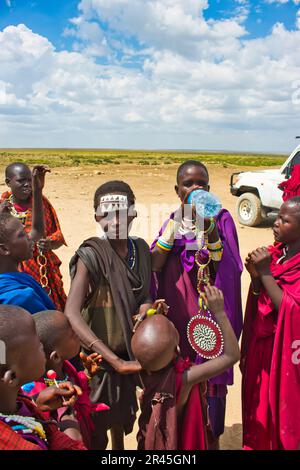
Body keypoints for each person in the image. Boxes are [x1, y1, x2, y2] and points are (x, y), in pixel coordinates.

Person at [151, 160, 243, 447]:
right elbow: (154, 263)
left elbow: (227, 269)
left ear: (210, 189)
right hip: (178, 319)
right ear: (178, 190)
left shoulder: (223, 219)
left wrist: (210, 227)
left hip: (208, 321)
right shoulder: (172, 220)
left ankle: (211, 439)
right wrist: (176, 228)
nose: (195, 188)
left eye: (201, 183)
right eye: (189, 184)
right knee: (179, 388)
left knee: (210, 395)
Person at [65, 181, 154, 450]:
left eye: (122, 212)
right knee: (97, 432)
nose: (115, 220)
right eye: (107, 214)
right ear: (97, 217)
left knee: (122, 424)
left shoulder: (141, 251)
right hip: (98, 365)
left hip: (129, 358)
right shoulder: (91, 256)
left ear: (133, 214)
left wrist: (146, 310)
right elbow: (72, 312)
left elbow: (144, 295)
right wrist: (114, 361)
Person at [132, 285, 240, 450]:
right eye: (172, 327)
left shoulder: (142, 369)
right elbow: (232, 356)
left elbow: (148, 344)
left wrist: (152, 317)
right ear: (177, 349)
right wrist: (220, 312)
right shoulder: (184, 378)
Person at [241, 197, 300, 450]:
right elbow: (262, 299)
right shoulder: (277, 255)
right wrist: (257, 279)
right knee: (260, 405)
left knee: (281, 411)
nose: (275, 224)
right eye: (277, 217)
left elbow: (293, 311)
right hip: (263, 349)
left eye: (284, 220)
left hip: (285, 353)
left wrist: (265, 273)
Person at [0, 304, 86, 450]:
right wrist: (68, 421)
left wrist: (35, 402)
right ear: (12, 377)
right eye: (38, 344)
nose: (42, 345)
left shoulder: (17, 404)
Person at [23, 310, 108, 449]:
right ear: (55, 356)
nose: (77, 333)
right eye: (72, 334)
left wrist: (86, 374)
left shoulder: (65, 366)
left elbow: (75, 386)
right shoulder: (37, 391)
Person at [1, 162, 67, 311]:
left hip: (41, 268)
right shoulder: (2, 206)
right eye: (21, 181)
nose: (27, 185)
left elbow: (56, 235)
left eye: (29, 180)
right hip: (9, 268)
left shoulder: (42, 203)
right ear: (8, 183)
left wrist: (50, 243)